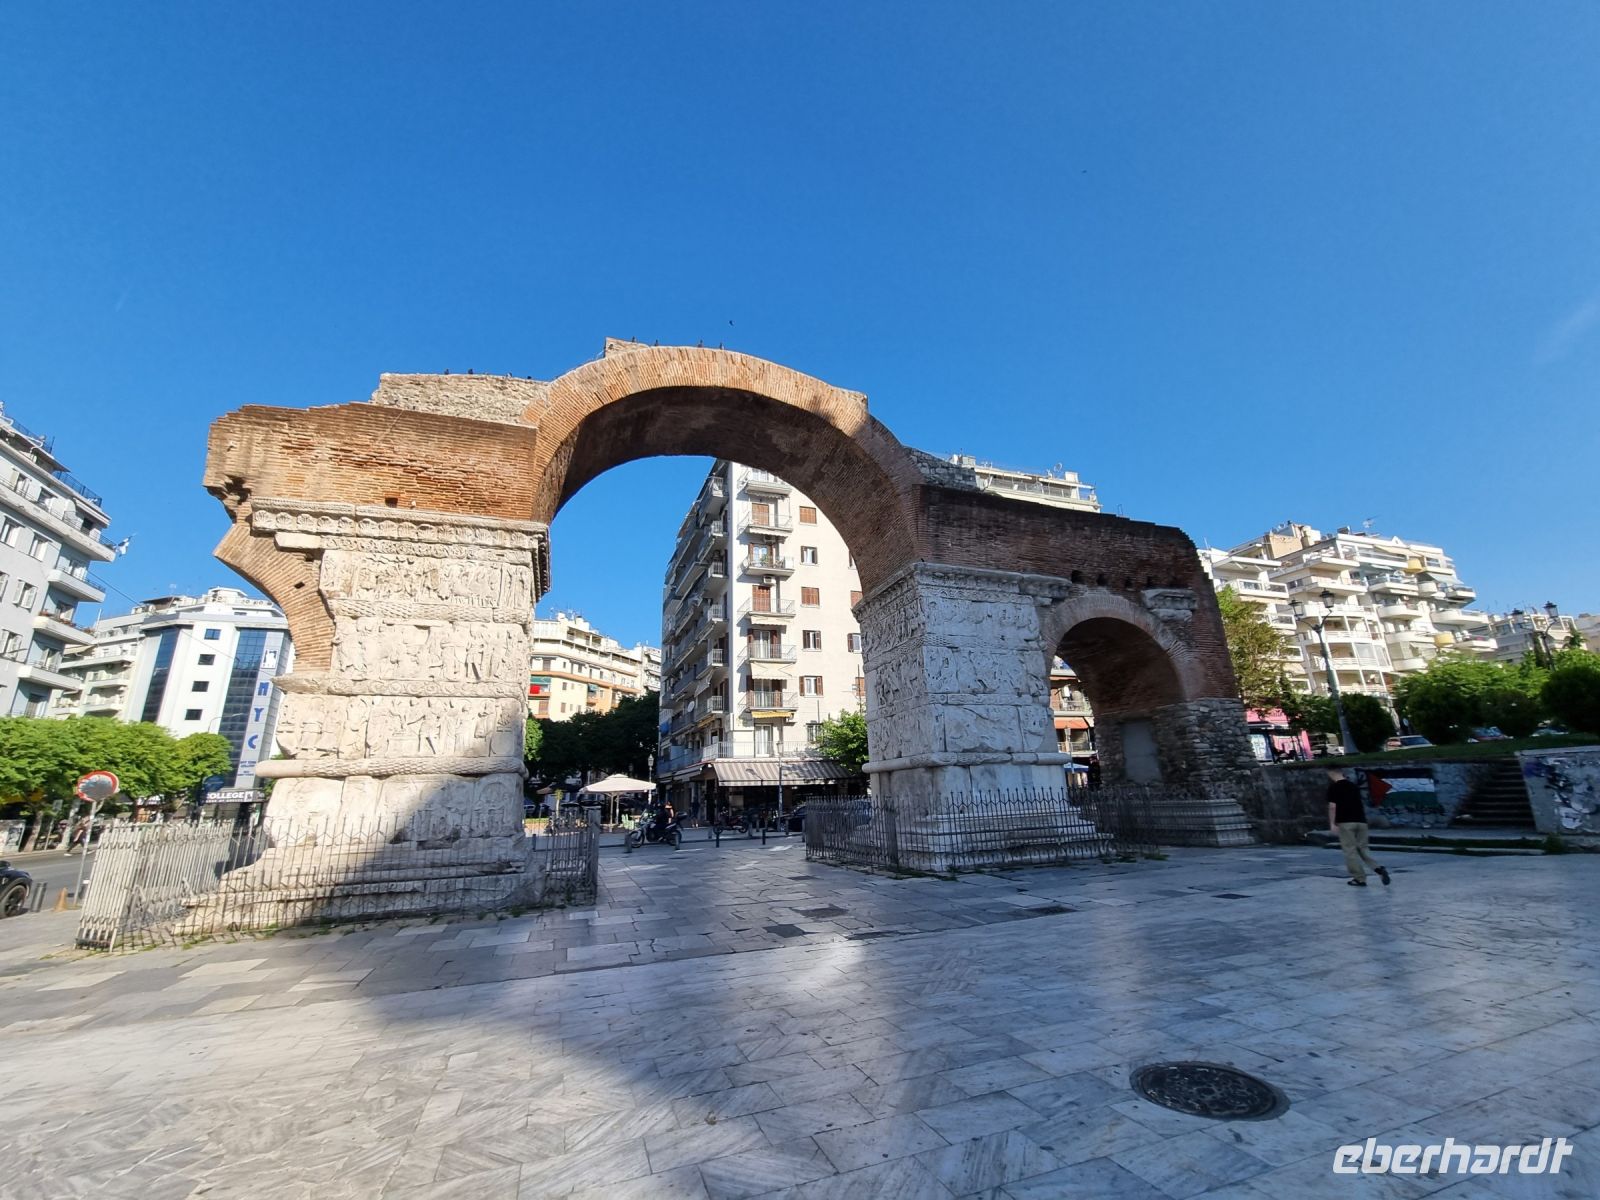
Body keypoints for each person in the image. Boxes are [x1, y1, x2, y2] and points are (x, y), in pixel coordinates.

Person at [1328, 768, 1389, 887]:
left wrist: (1332, 824)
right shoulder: (1354, 786)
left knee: (1350, 851)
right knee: (1363, 849)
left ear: (1332, 773)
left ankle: (1359, 879)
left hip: (1346, 822)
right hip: (1361, 821)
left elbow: (1332, 807)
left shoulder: (1334, 787)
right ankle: (1378, 869)